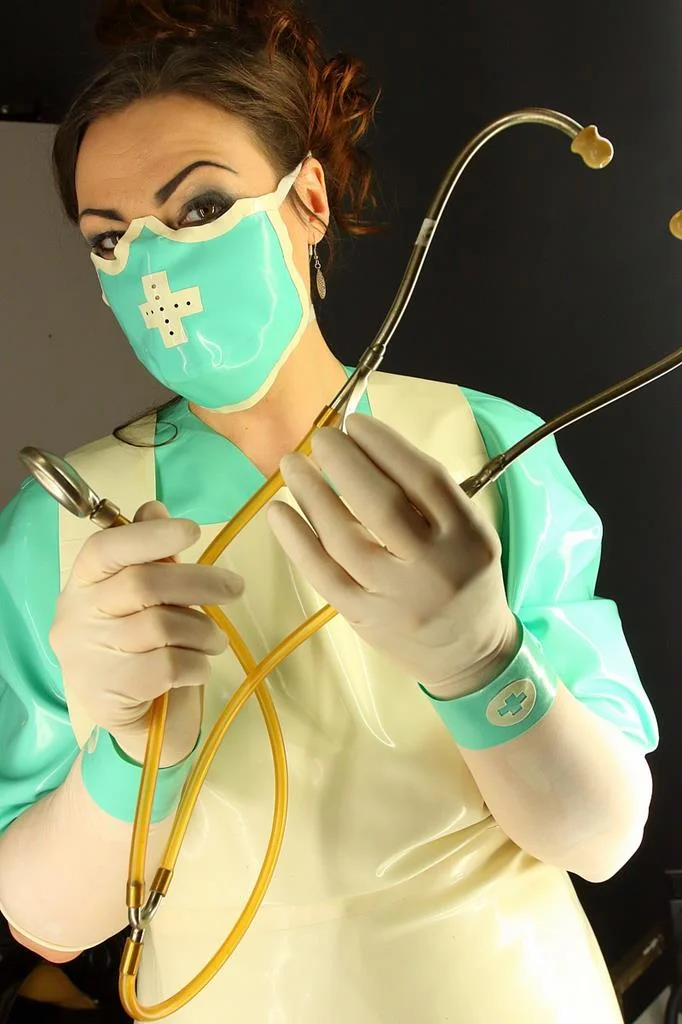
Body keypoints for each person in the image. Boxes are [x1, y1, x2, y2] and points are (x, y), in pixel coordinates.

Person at [0, 1, 659, 1021]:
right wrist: (130, 755)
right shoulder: (67, 528)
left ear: (306, 200)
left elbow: (602, 839)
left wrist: (481, 662)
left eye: (199, 207)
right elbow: (46, 923)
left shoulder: (488, 448)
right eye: (110, 238)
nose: (153, 269)